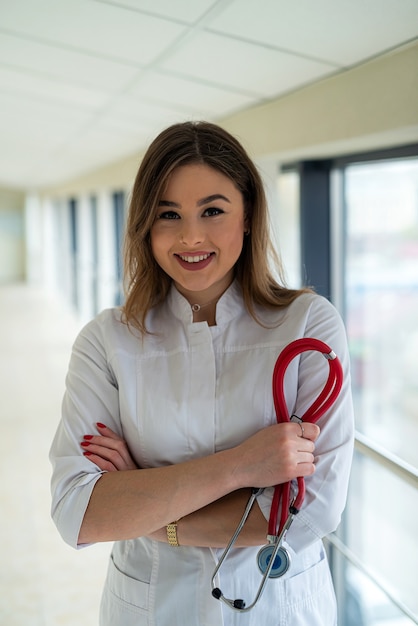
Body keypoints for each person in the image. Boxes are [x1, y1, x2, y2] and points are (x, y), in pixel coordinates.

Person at [49, 121, 354, 626]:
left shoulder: (310, 326)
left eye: (212, 210)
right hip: (151, 608)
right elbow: (78, 513)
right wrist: (243, 467)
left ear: (249, 214)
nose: (191, 236)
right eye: (168, 214)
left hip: (277, 607)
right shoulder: (107, 341)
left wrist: (147, 509)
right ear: (145, 225)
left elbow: (313, 512)